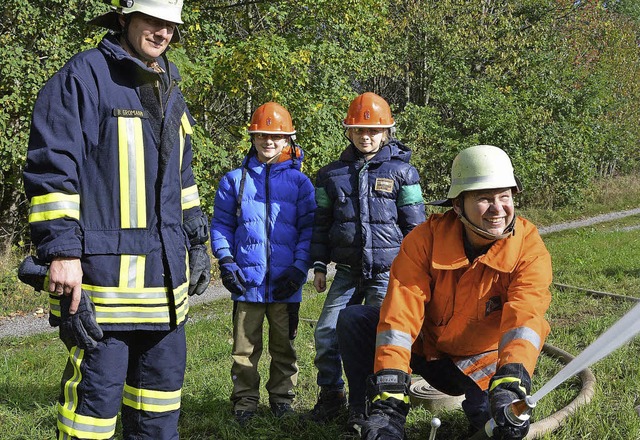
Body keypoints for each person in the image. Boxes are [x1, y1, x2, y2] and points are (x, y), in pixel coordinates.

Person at [22, 0, 211, 438]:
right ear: (124, 19)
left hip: (164, 295)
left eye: (169, 24)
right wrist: (62, 252)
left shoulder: (170, 86)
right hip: (103, 289)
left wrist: (197, 242)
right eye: (152, 21)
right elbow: (52, 169)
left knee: (159, 412)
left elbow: (182, 178)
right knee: (92, 414)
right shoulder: (84, 77)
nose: (162, 32)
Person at [337, 144, 553, 439]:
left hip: (479, 361)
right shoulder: (424, 240)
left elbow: (524, 321)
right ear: (457, 205)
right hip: (427, 349)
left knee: (498, 424)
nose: (498, 208)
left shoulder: (528, 248)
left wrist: (510, 382)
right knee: (355, 320)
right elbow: (399, 320)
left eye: (504, 196)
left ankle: (490, 402)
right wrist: (389, 405)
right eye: (484, 198)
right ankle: (367, 413)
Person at [306, 92, 426, 429]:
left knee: (381, 337)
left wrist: (418, 272)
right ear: (349, 132)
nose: (366, 136)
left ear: (386, 132)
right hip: (345, 273)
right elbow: (321, 223)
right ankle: (332, 396)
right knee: (326, 333)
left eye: (373, 131)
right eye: (359, 130)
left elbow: (416, 227)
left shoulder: (404, 173)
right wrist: (318, 265)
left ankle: (377, 404)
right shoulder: (330, 176)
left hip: (387, 273)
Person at [210, 102, 316, 426]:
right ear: (253, 137)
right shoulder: (234, 181)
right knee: (244, 351)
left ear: (287, 140)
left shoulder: (301, 184)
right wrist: (226, 261)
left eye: (275, 136)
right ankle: (245, 401)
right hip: (247, 283)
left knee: (284, 349)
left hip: (287, 284)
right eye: (262, 135)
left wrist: (299, 269)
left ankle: (283, 400)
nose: (268, 141)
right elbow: (221, 226)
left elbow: (309, 230)